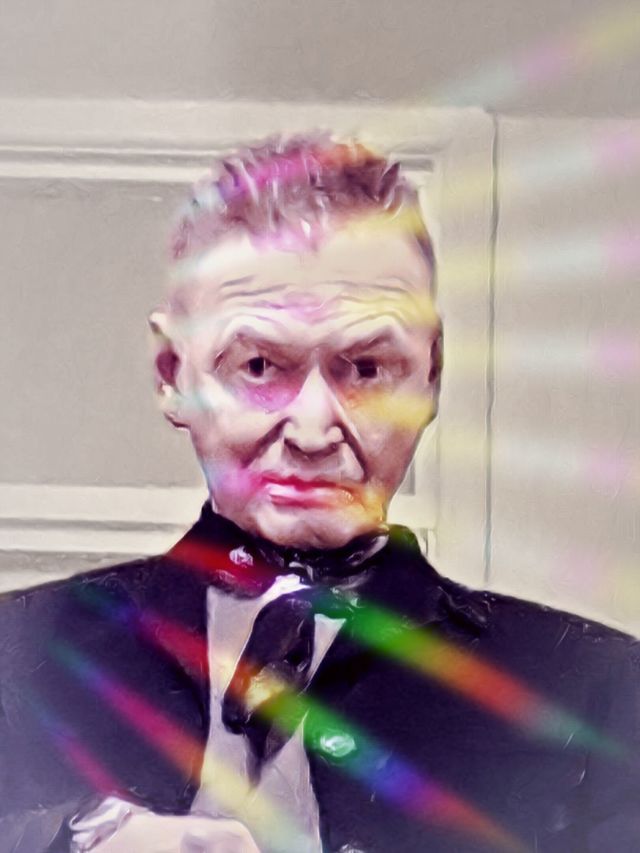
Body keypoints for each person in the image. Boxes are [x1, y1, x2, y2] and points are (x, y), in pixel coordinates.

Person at [0, 134, 638, 853]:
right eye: (258, 364)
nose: (311, 430)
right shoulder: (10, 652)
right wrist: (73, 839)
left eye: (366, 368)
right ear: (173, 373)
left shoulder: (606, 693)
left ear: (430, 375)